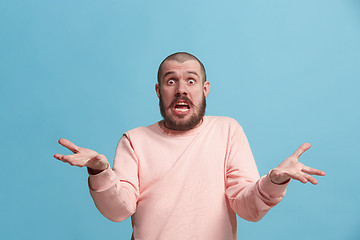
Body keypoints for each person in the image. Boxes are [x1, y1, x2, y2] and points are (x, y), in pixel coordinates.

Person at [54, 52, 325, 240]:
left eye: (191, 81)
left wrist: (274, 181)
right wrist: (100, 171)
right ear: (159, 91)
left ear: (205, 89)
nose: (181, 89)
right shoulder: (134, 140)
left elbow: (247, 207)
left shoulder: (227, 130)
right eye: (171, 81)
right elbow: (118, 210)